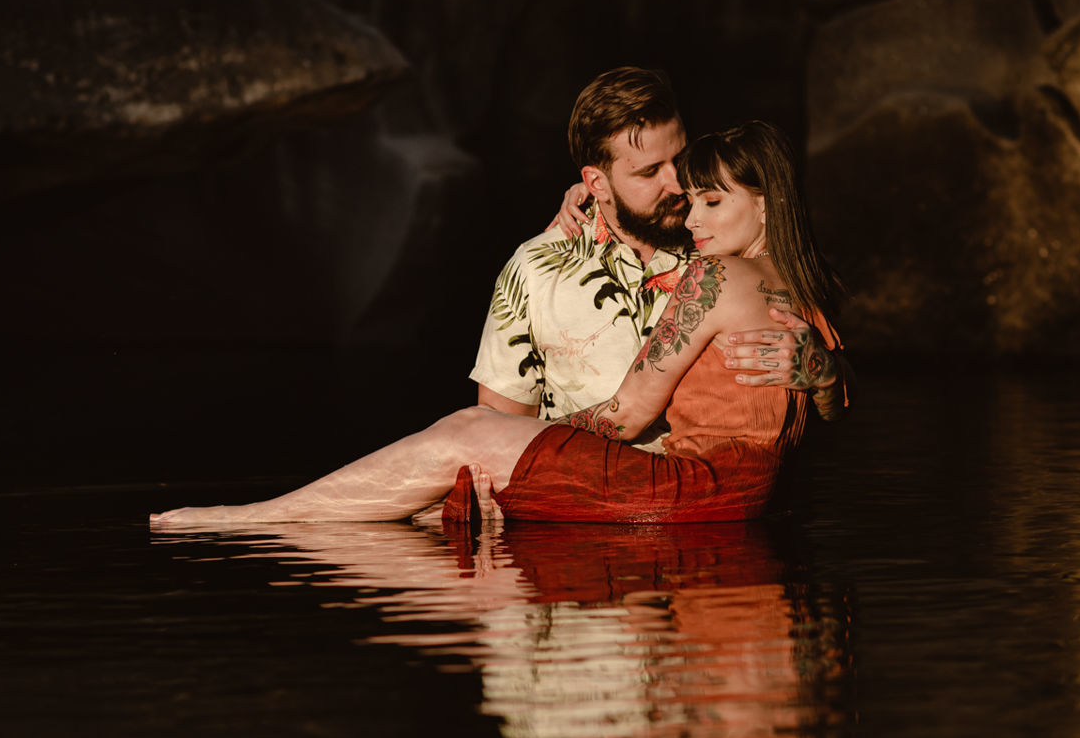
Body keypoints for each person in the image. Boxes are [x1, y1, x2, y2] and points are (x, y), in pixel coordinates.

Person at [151, 118, 843, 526]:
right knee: (443, 492)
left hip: (690, 494)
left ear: (764, 203)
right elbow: (828, 410)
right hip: (749, 500)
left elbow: (630, 413)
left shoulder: (717, 276)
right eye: (690, 201)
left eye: (712, 203)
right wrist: (825, 374)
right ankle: (307, 513)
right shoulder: (806, 286)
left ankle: (252, 520)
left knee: (468, 431)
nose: (691, 219)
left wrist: (516, 440)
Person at [472, 67, 841, 435]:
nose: (677, 183)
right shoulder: (536, 270)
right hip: (573, 469)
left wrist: (825, 375)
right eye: (649, 172)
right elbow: (497, 429)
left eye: (679, 159)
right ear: (596, 183)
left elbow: (836, 408)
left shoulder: (727, 239)